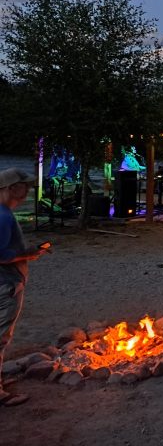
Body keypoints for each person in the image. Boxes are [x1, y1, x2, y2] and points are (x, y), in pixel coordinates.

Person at [0, 168, 45, 407]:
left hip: (6, 281)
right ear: (10, 188)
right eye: (24, 185)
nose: (27, 190)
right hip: (6, 284)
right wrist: (27, 253)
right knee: (1, 336)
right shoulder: (4, 216)